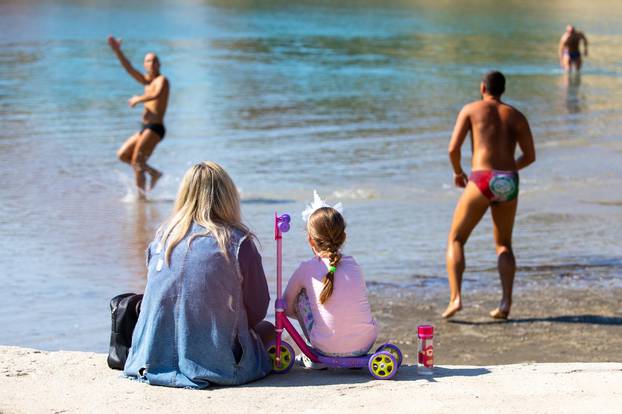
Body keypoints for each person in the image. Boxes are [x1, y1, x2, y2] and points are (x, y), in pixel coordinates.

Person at [124, 161, 273, 388]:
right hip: (218, 364)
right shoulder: (237, 242)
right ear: (228, 195)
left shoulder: (163, 237)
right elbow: (257, 307)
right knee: (268, 331)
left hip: (149, 360)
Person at [442, 71, 536, 320]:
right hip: (508, 180)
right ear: (503, 90)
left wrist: (458, 173)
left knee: (456, 239)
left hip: (481, 178)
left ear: (483, 87)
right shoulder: (516, 115)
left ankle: (456, 298)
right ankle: (505, 303)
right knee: (504, 244)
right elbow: (529, 156)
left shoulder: (471, 109)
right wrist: (506, 172)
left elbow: (453, 149)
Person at [284, 193, 378, 367]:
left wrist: (312, 313)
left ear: (310, 240)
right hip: (364, 344)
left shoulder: (305, 269)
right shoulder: (354, 265)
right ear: (344, 237)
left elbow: (286, 306)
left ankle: (314, 346)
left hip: (324, 348)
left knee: (301, 298)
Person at [107, 36, 169, 198]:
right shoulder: (147, 82)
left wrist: (138, 99)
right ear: (145, 65)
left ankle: (141, 199)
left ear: (159, 64)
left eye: (154, 61)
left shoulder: (162, 80)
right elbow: (129, 69)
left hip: (155, 128)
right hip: (144, 128)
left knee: (137, 162)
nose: (151, 64)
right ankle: (154, 173)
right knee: (123, 155)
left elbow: (156, 95)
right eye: (148, 61)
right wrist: (117, 51)